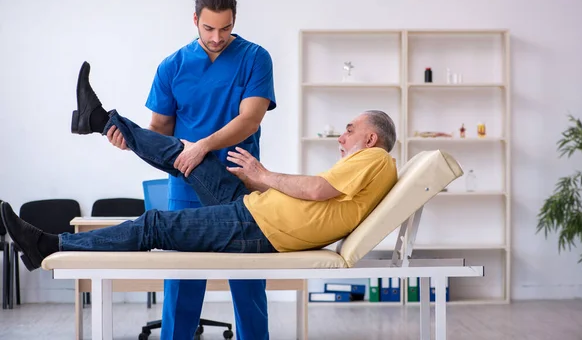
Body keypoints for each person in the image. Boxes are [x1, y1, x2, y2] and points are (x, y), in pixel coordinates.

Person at [4, 69, 398, 275]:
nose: (343, 135)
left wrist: (263, 176)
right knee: (187, 154)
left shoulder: (376, 159)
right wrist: (259, 181)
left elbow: (316, 190)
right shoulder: (367, 162)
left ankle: (50, 246)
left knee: (154, 225)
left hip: (258, 227)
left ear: (371, 139)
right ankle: (99, 119)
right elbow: (316, 194)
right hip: (255, 206)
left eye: (351, 129)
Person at [83, 0, 276, 340]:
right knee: (181, 290)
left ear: (235, 21)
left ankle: (96, 118)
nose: (217, 37)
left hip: (240, 183)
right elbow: (159, 131)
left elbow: (250, 119)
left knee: (249, 289)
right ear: (195, 21)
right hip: (187, 185)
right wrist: (128, 143)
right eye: (208, 28)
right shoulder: (172, 66)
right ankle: (103, 123)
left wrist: (202, 145)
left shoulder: (255, 58)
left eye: (225, 28)